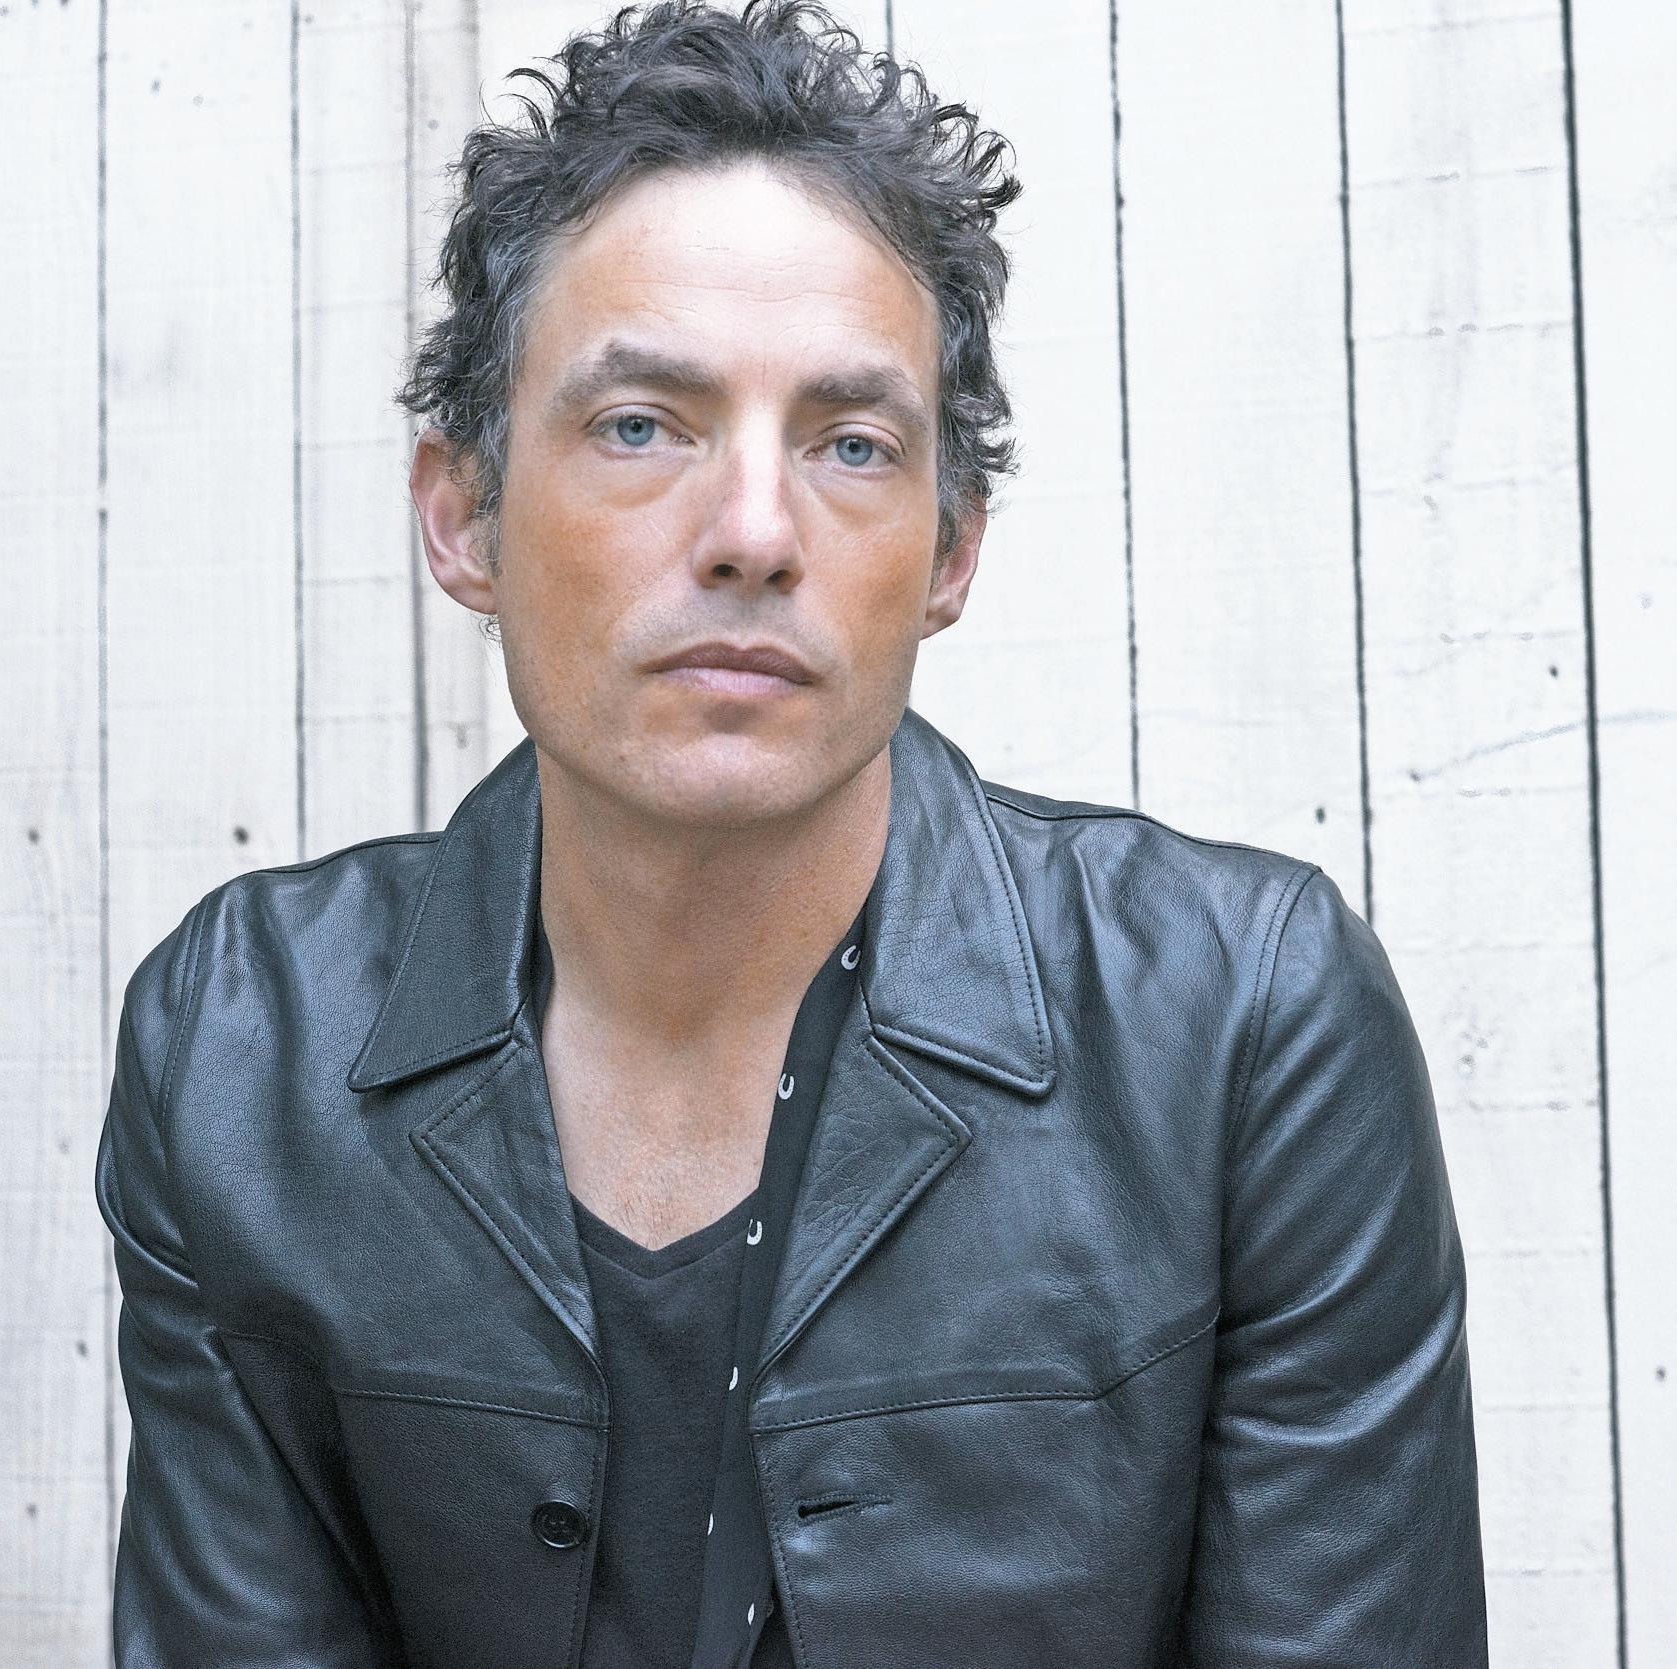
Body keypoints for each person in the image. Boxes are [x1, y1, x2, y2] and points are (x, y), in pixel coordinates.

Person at [94, 2, 1488, 1664]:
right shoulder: (241, 1044)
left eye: (849, 444)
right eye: (640, 424)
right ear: (463, 516)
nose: (753, 531)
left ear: (948, 552)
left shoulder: (1243, 1022)